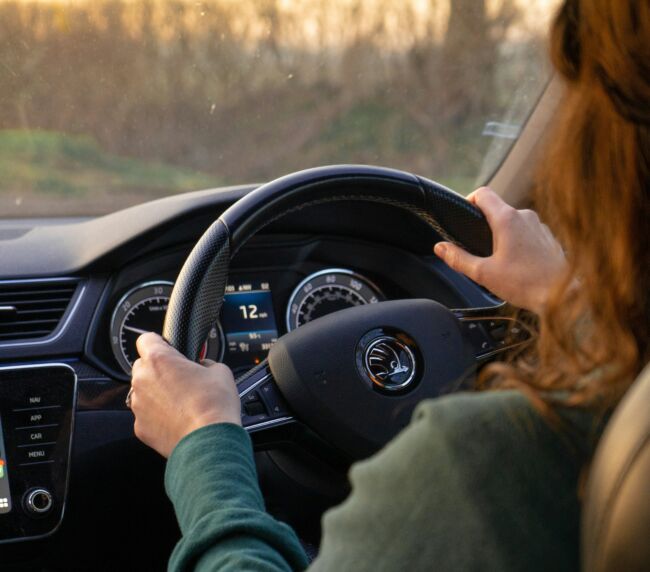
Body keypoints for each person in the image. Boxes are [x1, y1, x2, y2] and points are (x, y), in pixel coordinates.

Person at [128, 0, 649, 570]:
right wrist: (566, 295)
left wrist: (203, 439)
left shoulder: (479, 466)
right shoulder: (621, 404)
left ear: (599, 154)